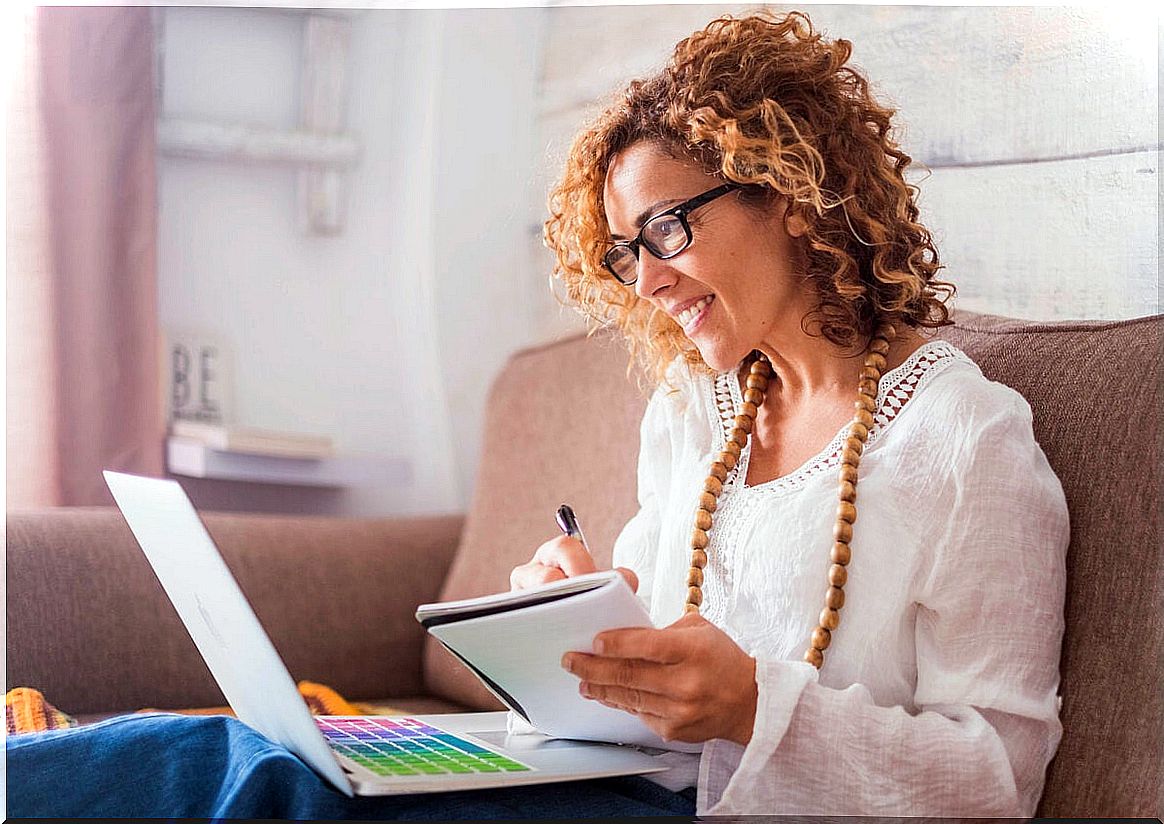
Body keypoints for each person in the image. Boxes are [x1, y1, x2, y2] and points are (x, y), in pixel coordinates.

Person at [6, 10, 1068, 819]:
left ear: (785, 188)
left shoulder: (964, 443)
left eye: (667, 229)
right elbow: (651, 655)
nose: (645, 282)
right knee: (261, 750)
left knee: (249, 775)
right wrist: (572, 626)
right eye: (624, 250)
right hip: (622, 780)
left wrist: (752, 705)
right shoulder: (698, 412)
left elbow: (999, 773)